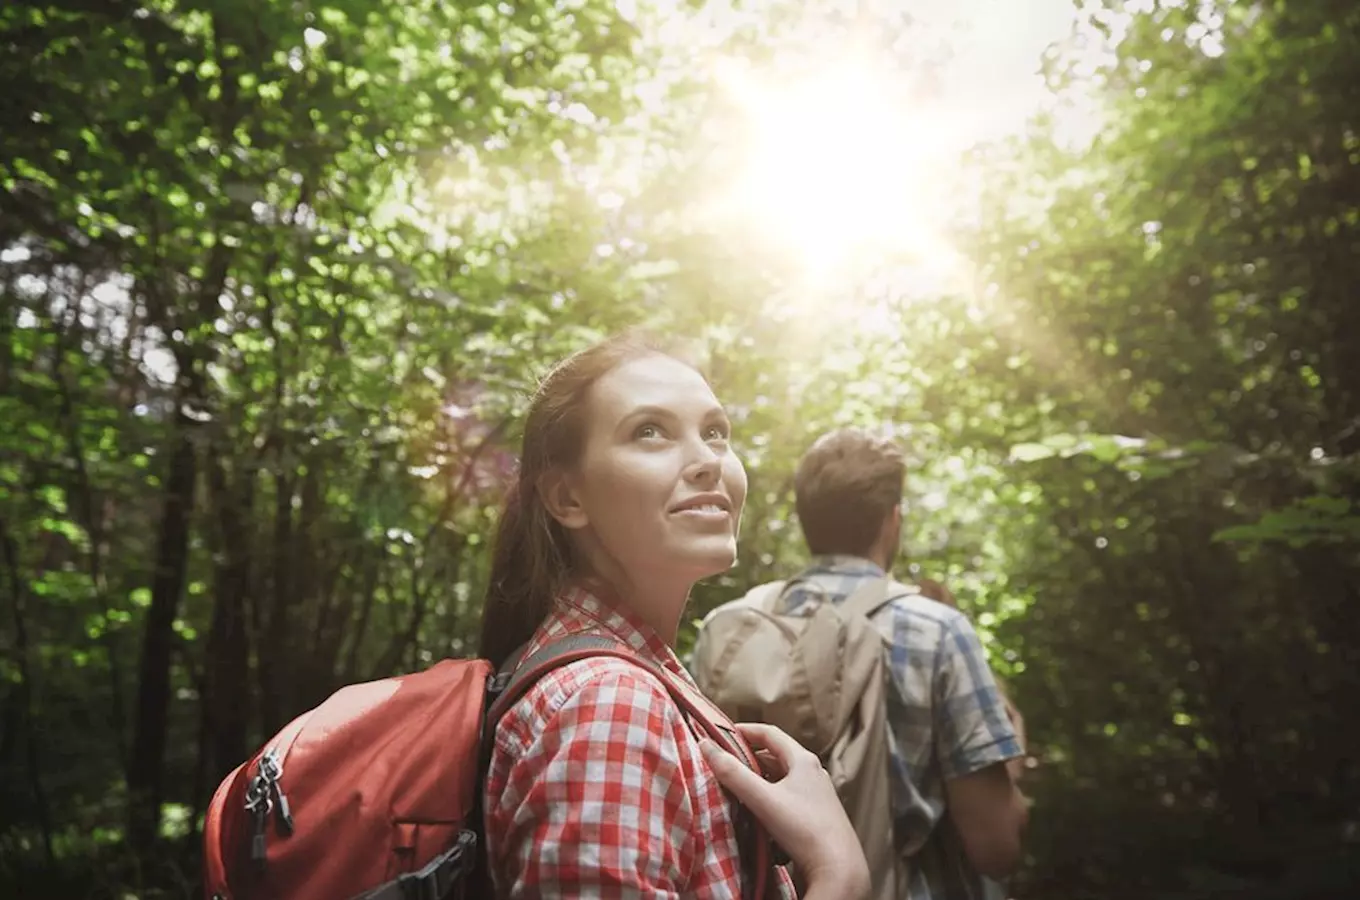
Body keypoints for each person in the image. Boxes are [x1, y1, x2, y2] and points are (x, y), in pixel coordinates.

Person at [477, 333, 870, 900]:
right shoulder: (608, 702)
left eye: (715, 432)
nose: (708, 460)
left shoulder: (615, 682)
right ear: (568, 498)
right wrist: (839, 874)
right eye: (650, 431)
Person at [754, 427, 1030, 899]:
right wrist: (1015, 760)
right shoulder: (937, 630)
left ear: (805, 519)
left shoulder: (741, 622)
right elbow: (996, 847)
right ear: (892, 520)